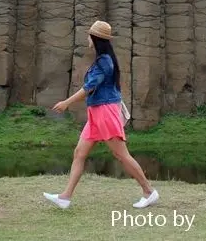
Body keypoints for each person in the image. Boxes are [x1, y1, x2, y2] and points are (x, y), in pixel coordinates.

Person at [42, 20, 159, 210]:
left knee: (121, 155)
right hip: (96, 113)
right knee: (79, 153)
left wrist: (66, 103)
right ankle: (65, 197)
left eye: (90, 35)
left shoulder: (104, 61)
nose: (87, 37)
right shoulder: (102, 59)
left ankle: (148, 191)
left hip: (105, 112)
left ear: (95, 38)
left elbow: (88, 88)